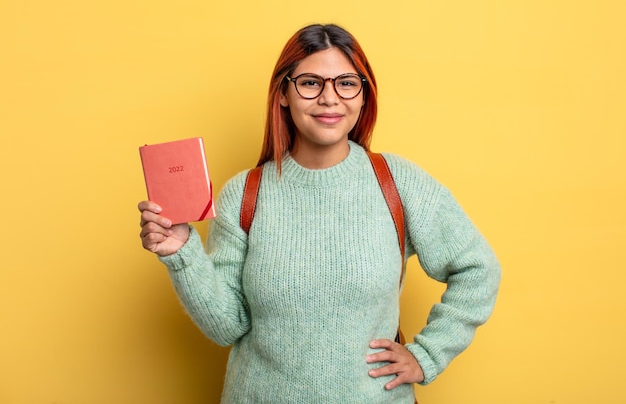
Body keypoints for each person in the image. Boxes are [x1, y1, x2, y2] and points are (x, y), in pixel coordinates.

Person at [138, 23, 501, 404]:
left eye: (346, 83)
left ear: (363, 96)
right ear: (283, 93)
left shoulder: (398, 182)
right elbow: (227, 326)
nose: (330, 98)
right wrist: (181, 253)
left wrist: (427, 355)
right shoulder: (245, 193)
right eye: (311, 83)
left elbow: (478, 268)